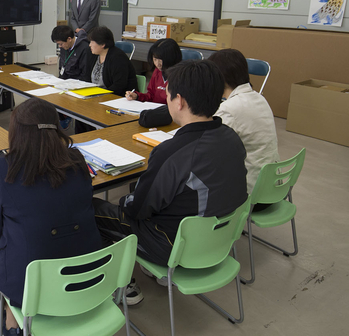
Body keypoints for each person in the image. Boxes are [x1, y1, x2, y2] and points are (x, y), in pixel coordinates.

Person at [93, 60, 247, 305]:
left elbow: (136, 209)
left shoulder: (172, 152)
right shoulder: (232, 138)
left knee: (91, 209)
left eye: (167, 94)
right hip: (219, 242)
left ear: (180, 101)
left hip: (175, 247)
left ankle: (117, 284)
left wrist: (125, 200)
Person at [0, 98, 101, 335]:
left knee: (11, 245)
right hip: (89, 278)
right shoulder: (77, 160)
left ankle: (12, 322)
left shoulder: (1, 168)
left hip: (31, 289)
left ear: (16, 133)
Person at [209, 49, 279, 194]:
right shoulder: (259, 98)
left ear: (220, 79)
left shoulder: (229, 108)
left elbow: (212, 152)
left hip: (252, 192)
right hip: (274, 186)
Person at [125, 38, 181, 104]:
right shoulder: (157, 71)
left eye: (160, 60)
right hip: (154, 109)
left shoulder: (180, 76)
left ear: (171, 58)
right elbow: (150, 96)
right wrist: (137, 96)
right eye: (155, 59)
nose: (157, 64)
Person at [88, 26, 138, 97]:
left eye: (92, 42)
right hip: (97, 95)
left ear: (102, 44)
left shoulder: (117, 58)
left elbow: (119, 85)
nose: (90, 45)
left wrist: (100, 95)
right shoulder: (95, 55)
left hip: (117, 97)